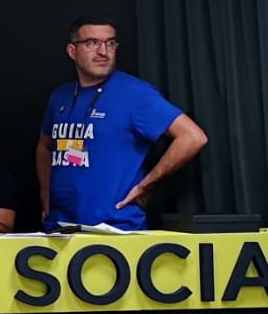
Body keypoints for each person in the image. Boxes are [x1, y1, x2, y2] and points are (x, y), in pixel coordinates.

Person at [37, 18, 208, 232]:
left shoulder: (135, 94)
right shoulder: (59, 96)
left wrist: (147, 185)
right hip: (61, 227)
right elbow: (44, 147)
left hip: (115, 229)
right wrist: (45, 194)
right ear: (72, 51)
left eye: (110, 43)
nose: (103, 51)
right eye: (92, 43)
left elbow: (193, 137)